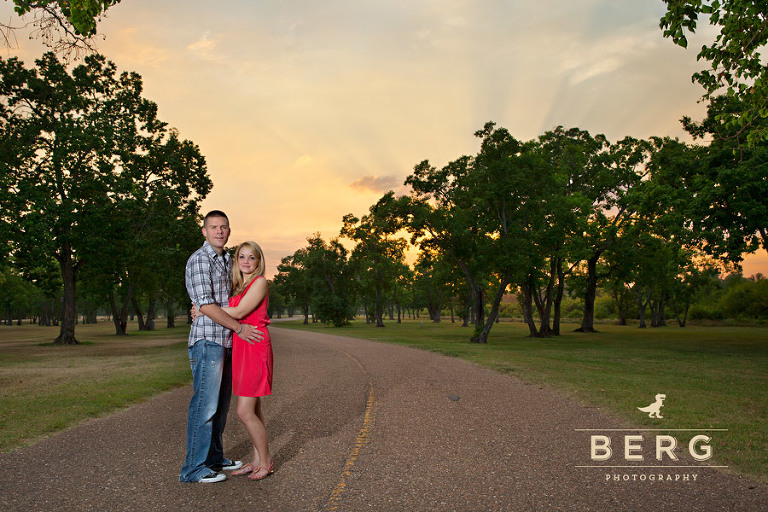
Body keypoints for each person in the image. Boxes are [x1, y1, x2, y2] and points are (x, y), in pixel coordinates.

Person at [179, 210, 263, 484]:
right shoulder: (200, 260)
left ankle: (214, 458)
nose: (219, 231)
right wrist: (237, 327)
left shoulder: (227, 260)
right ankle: (193, 468)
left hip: (227, 342)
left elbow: (228, 300)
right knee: (204, 406)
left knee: (220, 405)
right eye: (213, 227)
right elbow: (204, 303)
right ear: (204, 231)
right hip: (208, 340)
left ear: (229, 231)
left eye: (224, 227)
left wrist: (216, 318)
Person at [208, 241, 274, 481]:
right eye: (242, 257)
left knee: (244, 411)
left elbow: (236, 314)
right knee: (254, 409)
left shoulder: (260, 282)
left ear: (259, 261)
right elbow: (233, 312)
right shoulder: (239, 286)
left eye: (252, 258)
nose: (246, 262)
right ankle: (257, 460)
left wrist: (204, 309)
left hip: (255, 346)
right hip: (241, 347)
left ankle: (266, 462)